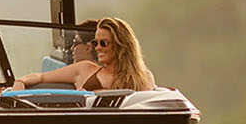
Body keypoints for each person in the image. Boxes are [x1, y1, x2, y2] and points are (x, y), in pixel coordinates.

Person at [17, 16, 156, 91]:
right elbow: (41, 77)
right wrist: (20, 82)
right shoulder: (84, 69)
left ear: (121, 46)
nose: (98, 48)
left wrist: (97, 93)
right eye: (95, 43)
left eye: (103, 43)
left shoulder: (143, 77)